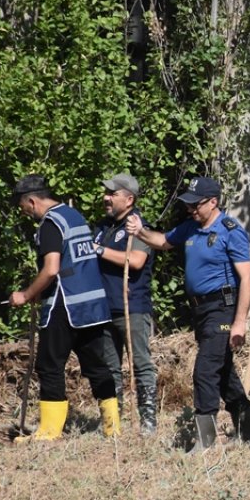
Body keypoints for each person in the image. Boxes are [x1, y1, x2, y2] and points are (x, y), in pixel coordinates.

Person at [125, 176, 250, 452]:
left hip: (223, 307)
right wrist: (139, 231)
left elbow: (247, 278)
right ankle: (248, 425)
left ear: (213, 202)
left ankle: (205, 440)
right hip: (200, 309)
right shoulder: (190, 228)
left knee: (205, 371)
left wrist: (240, 323)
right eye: (189, 205)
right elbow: (162, 241)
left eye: (196, 205)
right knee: (221, 372)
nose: (191, 210)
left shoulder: (230, 230)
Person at [8, 175, 120, 442]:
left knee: (49, 365)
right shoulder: (73, 215)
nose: (25, 213)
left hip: (65, 304)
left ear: (32, 201)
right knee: (96, 366)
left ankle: (48, 433)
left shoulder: (50, 223)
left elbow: (52, 268)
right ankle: (112, 429)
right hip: (92, 305)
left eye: (24, 208)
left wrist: (26, 294)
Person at [91, 173, 159, 434]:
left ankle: (148, 423)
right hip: (103, 308)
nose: (106, 198)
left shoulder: (138, 227)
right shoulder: (102, 227)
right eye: (106, 193)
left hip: (131, 306)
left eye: (113, 193)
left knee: (140, 363)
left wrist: (98, 250)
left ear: (129, 199)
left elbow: (137, 260)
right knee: (109, 367)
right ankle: (112, 422)